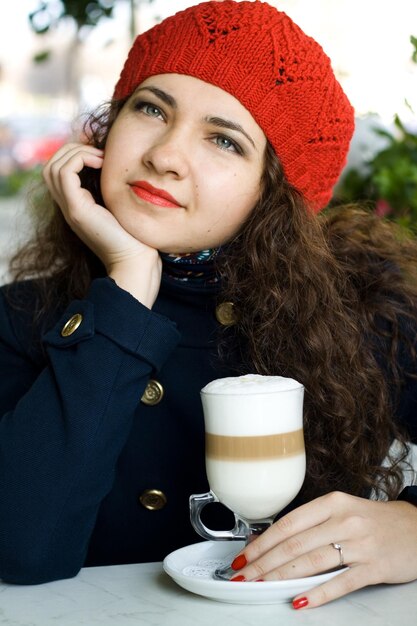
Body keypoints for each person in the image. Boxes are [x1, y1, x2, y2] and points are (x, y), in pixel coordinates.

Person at [0, 0, 416, 609]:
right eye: (150, 108)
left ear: (275, 193)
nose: (165, 155)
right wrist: (127, 288)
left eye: (223, 140)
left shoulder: (365, 309)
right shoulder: (22, 319)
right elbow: (21, 551)